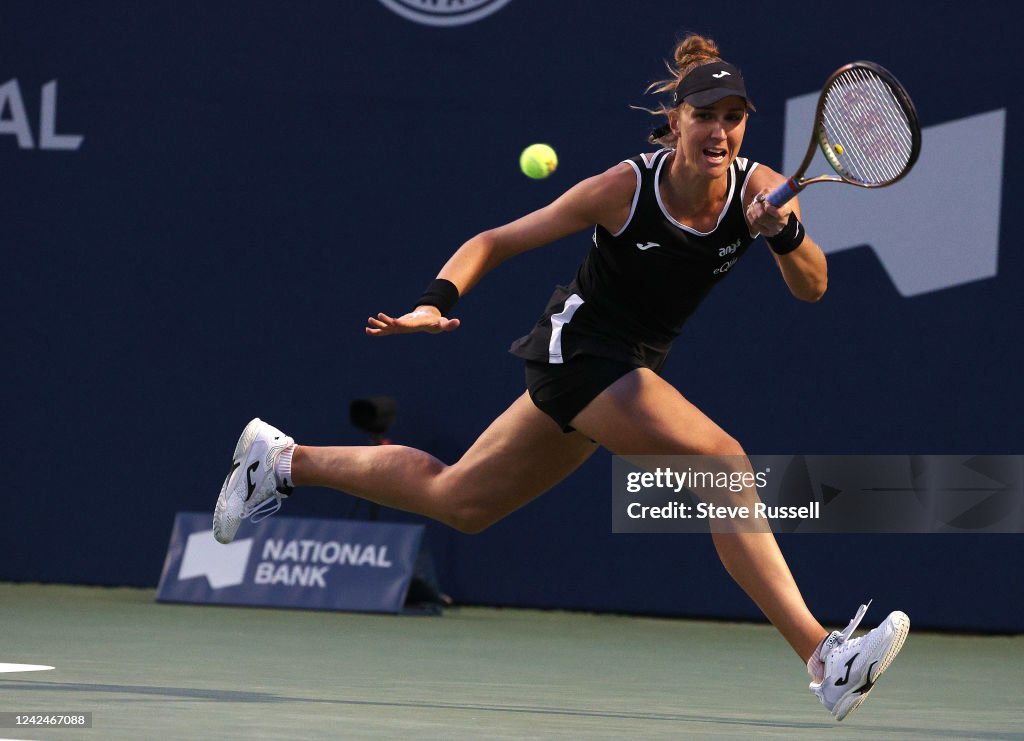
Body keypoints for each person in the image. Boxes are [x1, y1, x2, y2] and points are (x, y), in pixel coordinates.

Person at [212, 34, 908, 721]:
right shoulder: (623, 188)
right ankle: (824, 656)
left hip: (628, 363)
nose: (720, 131)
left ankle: (278, 459)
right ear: (677, 122)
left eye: (733, 117)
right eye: (705, 116)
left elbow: (812, 285)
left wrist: (783, 234)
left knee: (461, 500)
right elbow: (496, 241)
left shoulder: (759, 190)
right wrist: (434, 302)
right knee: (723, 465)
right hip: (580, 351)